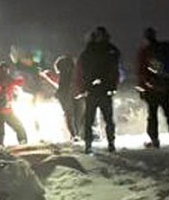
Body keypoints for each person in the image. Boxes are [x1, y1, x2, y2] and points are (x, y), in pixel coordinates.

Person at [75, 26, 120, 154]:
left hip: (92, 90)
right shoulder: (111, 50)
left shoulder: (88, 51)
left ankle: (89, 145)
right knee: (107, 119)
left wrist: (83, 88)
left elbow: (81, 71)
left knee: (90, 119)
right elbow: (115, 70)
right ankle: (110, 143)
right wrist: (113, 86)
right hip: (104, 89)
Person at [136, 27, 169, 150]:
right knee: (168, 114)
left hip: (152, 88)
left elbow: (141, 71)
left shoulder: (145, 52)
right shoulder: (162, 49)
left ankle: (154, 140)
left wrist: (142, 87)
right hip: (165, 87)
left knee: (152, 115)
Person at [0, 62, 28, 146]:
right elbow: (16, 83)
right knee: (19, 128)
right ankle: (23, 145)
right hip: (6, 110)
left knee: (0, 133)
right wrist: (21, 80)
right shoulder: (4, 78)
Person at [41, 54, 83, 140]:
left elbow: (58, 82)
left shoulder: (62, 74)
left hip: (66, 94)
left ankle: (74, 134)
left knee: (69, 114)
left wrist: (46, 75)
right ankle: (77, 133)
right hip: (76, 93)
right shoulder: (75, 72)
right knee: (77, 114)